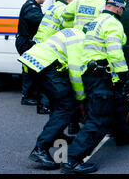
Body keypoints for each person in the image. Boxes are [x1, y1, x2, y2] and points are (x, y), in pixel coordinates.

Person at [61, 0, 129, 174]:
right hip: (101, 75)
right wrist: (125, 77)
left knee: (114, 105)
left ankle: (123, 135)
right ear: (118, 8)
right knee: (98, 119)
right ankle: (72, 159)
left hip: (91, 73)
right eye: (122, 9)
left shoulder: (95, 22)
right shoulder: (113, 24)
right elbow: (115, 52)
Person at [18, 28, 86, 169]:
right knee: (66, 105)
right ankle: (40, 148)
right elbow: (75, 72)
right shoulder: (81, 41)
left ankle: (56, 134)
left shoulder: (73, 31)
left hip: (32, 62)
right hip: (47, 66)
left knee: (57, 103)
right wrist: (80, 97)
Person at [16, 0, 49, 110]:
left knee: (31, 69)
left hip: (27, 41)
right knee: (29, 69)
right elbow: (36, 19)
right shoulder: (31, 7)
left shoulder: (33, 5)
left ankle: (31, 95)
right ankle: (27, 97)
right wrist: (49, 17)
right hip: (25, 42)